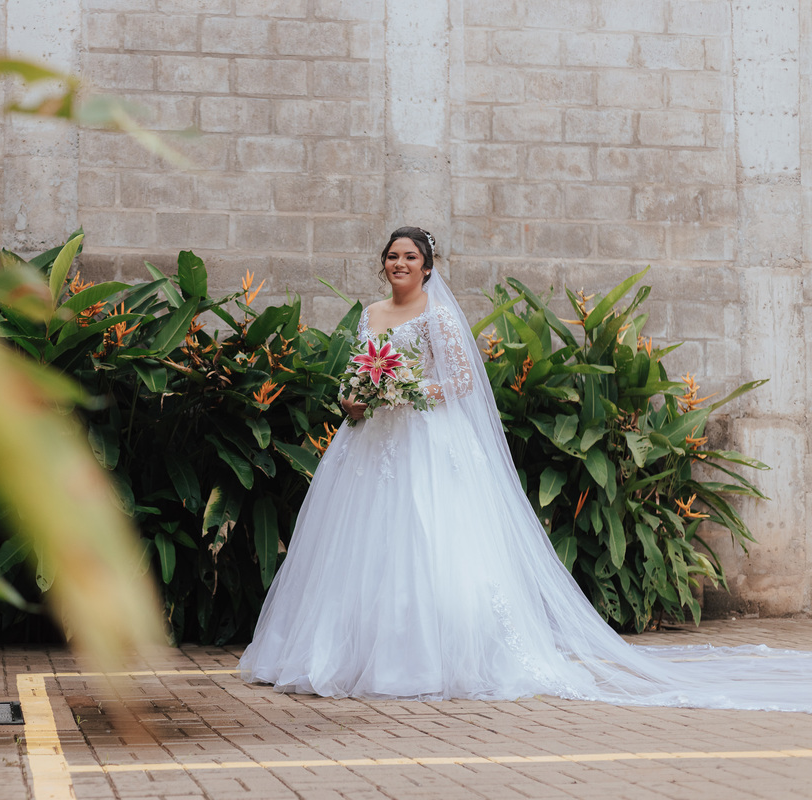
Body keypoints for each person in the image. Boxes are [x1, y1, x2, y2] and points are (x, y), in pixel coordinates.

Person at [239, 226, 812, 711]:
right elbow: (359, 375)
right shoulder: (371, 314)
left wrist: (403, 391)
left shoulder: (438, 316)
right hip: (371, 443)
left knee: (430, 538)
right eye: (392, 256)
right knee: (364, 542)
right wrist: (358, 397)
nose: (400, 264)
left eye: (410, 256)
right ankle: (349, 651)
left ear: (428, 267)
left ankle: (429, 658)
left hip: (427, 440)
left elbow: (461, 381)